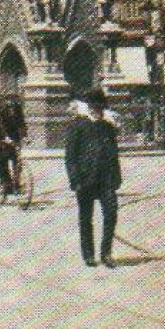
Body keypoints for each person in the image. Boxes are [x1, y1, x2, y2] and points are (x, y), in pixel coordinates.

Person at [65, 89, 122, 268]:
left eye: (100, 108)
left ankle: (106, 253)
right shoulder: (78, 125)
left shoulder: (107, 126)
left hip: (106, 179)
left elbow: (114, 152)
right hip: (85, 178)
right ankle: (89, 254)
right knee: (85, 218)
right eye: (94, 107)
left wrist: (116, 176)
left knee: (111, 213)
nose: (97, 111)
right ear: (88, 107)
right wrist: (74, 180)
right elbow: (70, 156)